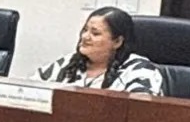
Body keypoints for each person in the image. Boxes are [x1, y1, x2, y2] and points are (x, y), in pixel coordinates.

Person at [33, 6, 163, 95]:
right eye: (85, 30)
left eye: (95, 33)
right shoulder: (69, 62)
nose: (85, 36)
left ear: (117, 41)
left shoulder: (139, 70)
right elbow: (30, 90)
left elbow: (141, 112)